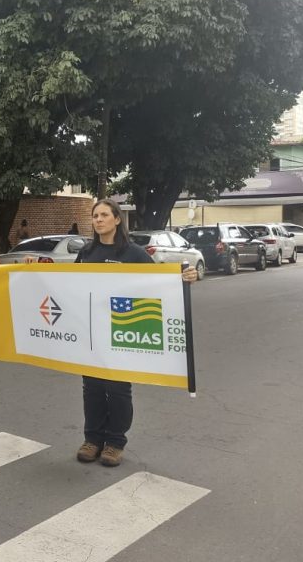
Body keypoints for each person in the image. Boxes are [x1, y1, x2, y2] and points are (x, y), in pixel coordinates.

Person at [72, 198, 197, 467]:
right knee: (91, 388)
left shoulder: (134, 254)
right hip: (92, 333)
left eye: (104, 215)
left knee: (117, 390)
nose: (99, 220)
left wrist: (183, 278)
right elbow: (70, 285)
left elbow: (158, 283)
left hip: (123, 329)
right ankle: (92, 440)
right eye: (95, 216)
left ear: (117, 219)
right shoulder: (86, 253)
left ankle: (115, 443)